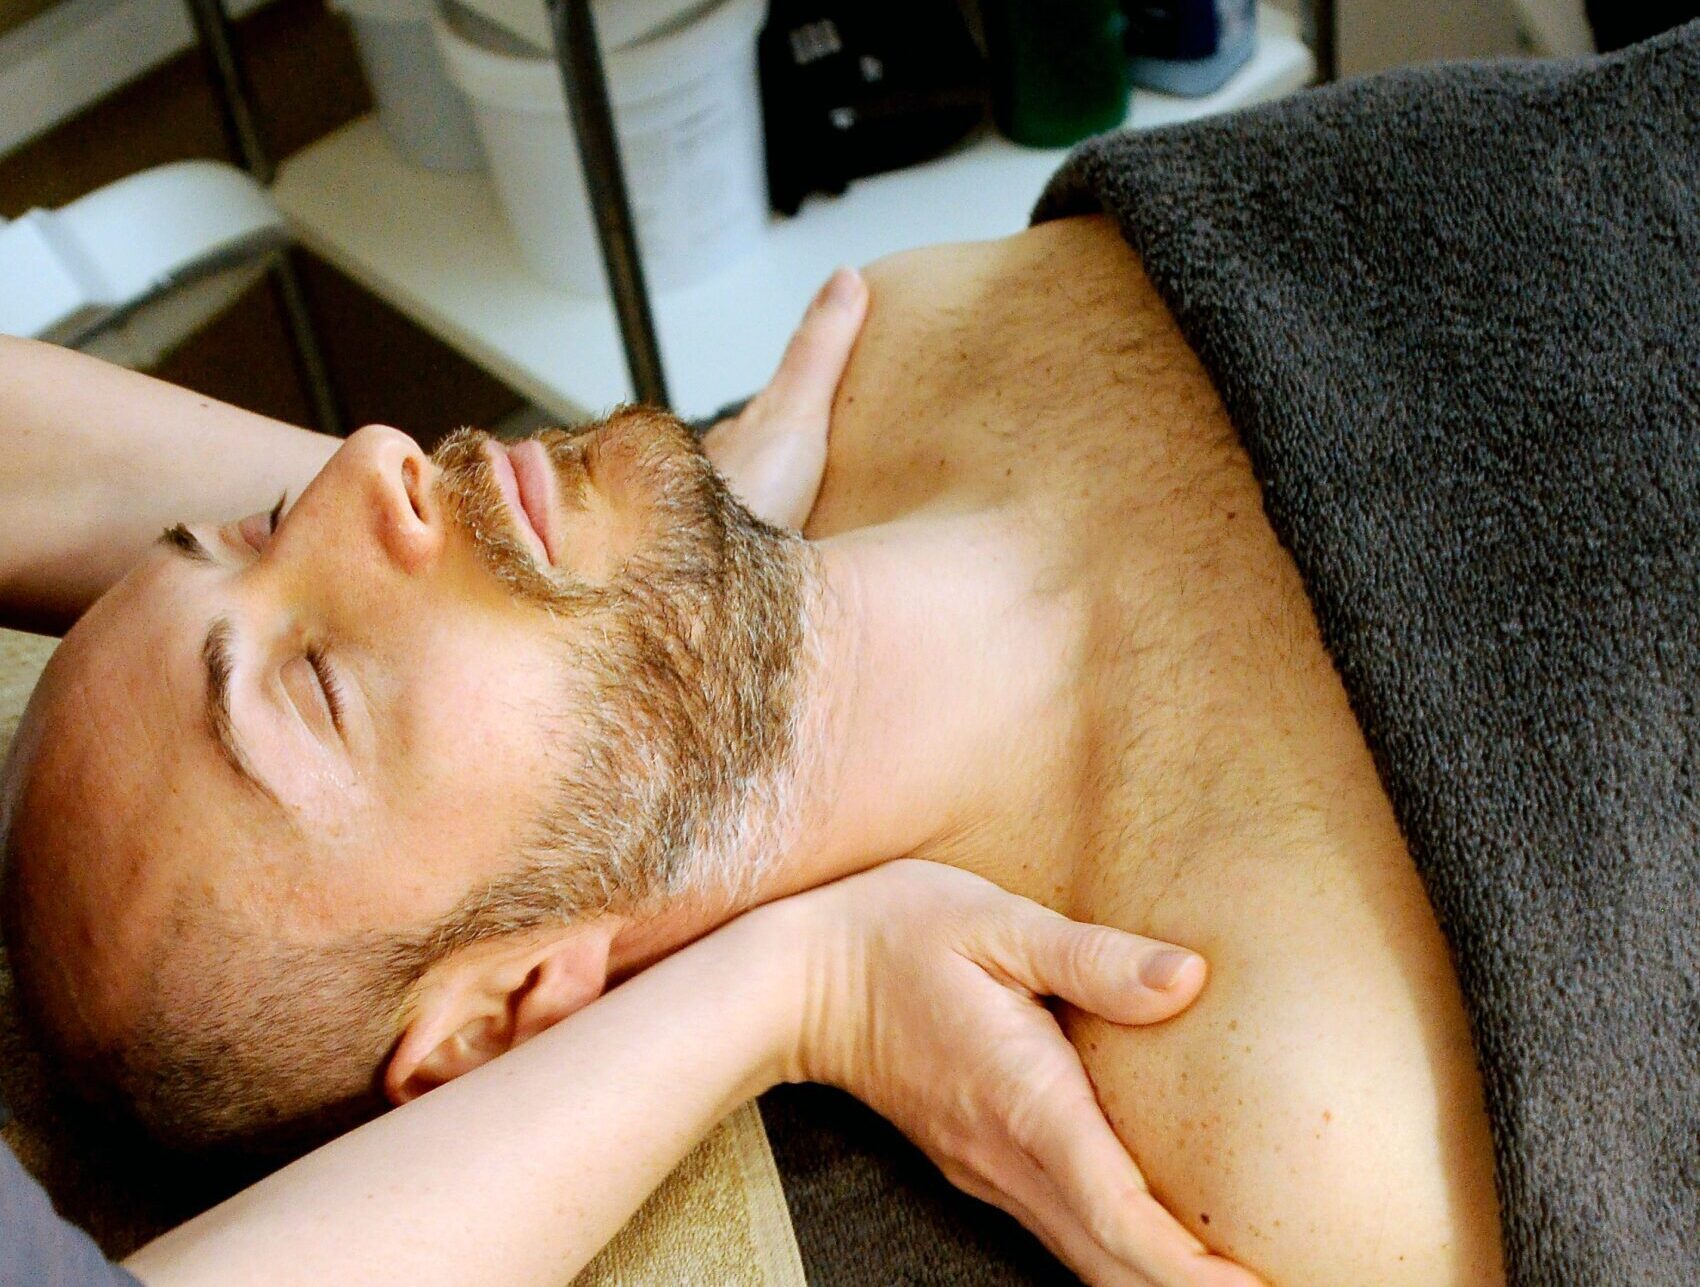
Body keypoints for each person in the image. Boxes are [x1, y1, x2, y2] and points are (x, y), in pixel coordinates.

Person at [5, 216, 1505, 1285]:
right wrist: (804, 981)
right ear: (501, 1012)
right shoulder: (1297, 1118)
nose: (362, 466)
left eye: (258, 528)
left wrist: (644, 585)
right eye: (320, 686)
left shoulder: (925, 333)